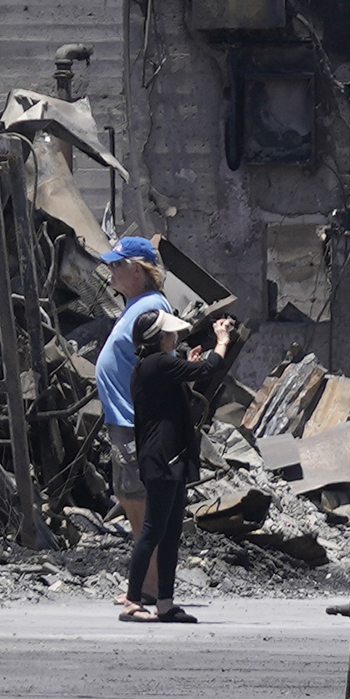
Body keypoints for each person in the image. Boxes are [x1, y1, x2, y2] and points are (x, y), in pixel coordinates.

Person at [125, 306, 240, 623]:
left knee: (171, 531)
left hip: (169, 457)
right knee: (153, 531)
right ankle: (133, 601)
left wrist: (186, 368)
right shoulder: (158, 363)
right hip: (162, 457)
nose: (176, 335)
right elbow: (210, 368)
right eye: (171, 332)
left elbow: (178, 394)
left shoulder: (156, 366)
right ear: (161, 338)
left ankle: (165, 602)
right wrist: (222, 340)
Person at [94, 235, 173, 616]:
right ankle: (145, 583)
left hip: (134, 419)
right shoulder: (137, 305)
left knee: (141, 504)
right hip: (122, 418)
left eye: (116, 264)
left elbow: (163, 364)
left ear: (137, 270)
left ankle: (149, 589)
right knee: (130, 498)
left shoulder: (152, 309)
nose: (110, 270)